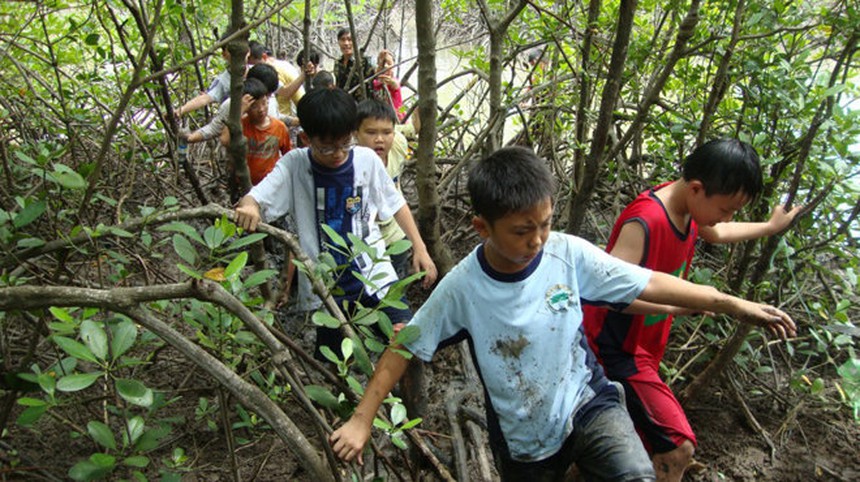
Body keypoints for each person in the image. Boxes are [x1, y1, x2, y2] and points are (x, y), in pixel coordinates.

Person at [328, 146, 796, 481]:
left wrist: (728, 303)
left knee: (635, 472)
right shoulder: (463, 288)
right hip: (524, 437)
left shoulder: (567, 253)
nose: (537, 240)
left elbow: (648, 281)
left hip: (586, 399)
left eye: (546, 223)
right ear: (482, 227)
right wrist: (362, 419)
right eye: (522, 231)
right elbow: (405, 345)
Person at [582, 138, 802, 482]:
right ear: (697, 189)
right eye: (726, 208)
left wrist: (770, 228)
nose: (727, 217)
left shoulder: (686, 208)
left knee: (629, 443)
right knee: (677, 446)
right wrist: (675, 304)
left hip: (644, 350)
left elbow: (716, 231)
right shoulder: (645, 221)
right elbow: (606, 293)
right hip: (613, 352)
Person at [233, 88, 437, 359]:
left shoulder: (366, 160)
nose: (338, 154)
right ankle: (340, 395)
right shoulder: (295, 164)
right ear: (306, 139)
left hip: (374, 273)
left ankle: (403, 396)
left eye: (345, 143)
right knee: (334, 354)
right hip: (326, 285)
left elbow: (395, 202)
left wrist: (419, 247)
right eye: (327, 147)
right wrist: (249, 205)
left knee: (404, 339)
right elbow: (259, 194)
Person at [355, 99, 414, 278]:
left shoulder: (398, 144)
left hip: (395, 235)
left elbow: (413, 128)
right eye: (371, 133)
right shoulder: (350, 164)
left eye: (387, 132)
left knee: (396, 289)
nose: (380, 139)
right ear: (355, 134)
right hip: (365, 242)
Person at [182, 63, 281, 144]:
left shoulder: (269, 102)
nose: (266, 99)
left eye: (268, 95)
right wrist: (191, 138)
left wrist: (293, 121)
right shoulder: (232, 105)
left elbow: (276, 119)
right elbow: (216, 129)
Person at [219, 78, 291, 186]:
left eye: (264, 103)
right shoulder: (241, 125)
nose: (261, 109)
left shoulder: (279, 127)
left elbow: (288, 156)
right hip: (244, 183)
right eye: (254, 106)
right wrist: (240, 110)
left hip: (271, 184)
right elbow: (224, 140)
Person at [175, 32, 239, 119]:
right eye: (232, 50)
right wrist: (181, 110)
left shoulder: (258, 68)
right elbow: (205, 98)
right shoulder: (223, 80)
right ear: (224, 55)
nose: (237, 53)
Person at [248, 41, 304, 128]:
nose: (249, 69)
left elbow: (288, 95)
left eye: (253, 65)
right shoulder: (246, 101)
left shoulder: (274, 73)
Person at [334, 28, 374, 100]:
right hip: (343, 105)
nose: (346, 43)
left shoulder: (364, 61)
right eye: (342, 40)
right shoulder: (338, 63)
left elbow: (374, 84)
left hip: (362, 106)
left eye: (349, 40)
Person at [371, 49, 405, 121]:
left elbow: (394, 84)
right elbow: (376, 82)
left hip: (398, 115)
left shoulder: (395, 81)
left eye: (389, 64)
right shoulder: (375, 82)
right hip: (381, 116)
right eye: (383, 63)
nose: (386, 66)